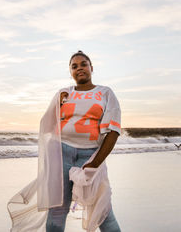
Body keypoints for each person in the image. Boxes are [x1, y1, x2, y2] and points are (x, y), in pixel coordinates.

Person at [46, 50, 121, 232]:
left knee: (102, 210)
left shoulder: (105, 92)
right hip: (60, 154)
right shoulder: (64, 93)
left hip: (90, 156)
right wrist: (58, 104)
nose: (79, 68)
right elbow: (48, 126)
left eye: (83, 64)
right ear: (70, 72)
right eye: (74, 66)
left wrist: (95, 162)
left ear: (91, 68)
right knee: (56, 210)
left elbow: (113, 131)